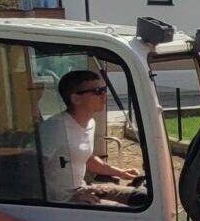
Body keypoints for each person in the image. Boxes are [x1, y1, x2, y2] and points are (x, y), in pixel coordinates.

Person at [39, 69, 143, 205]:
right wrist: (65, 197)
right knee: (129, 213)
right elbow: (35, 169)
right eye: (97, 91)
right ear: (76, 98)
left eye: (104, 89)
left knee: (141, 196)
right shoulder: (54, 128)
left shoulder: (90, 123)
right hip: (63, 200)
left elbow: (87, 159)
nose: (104, 95)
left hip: (83, 189)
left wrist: (121, 173)